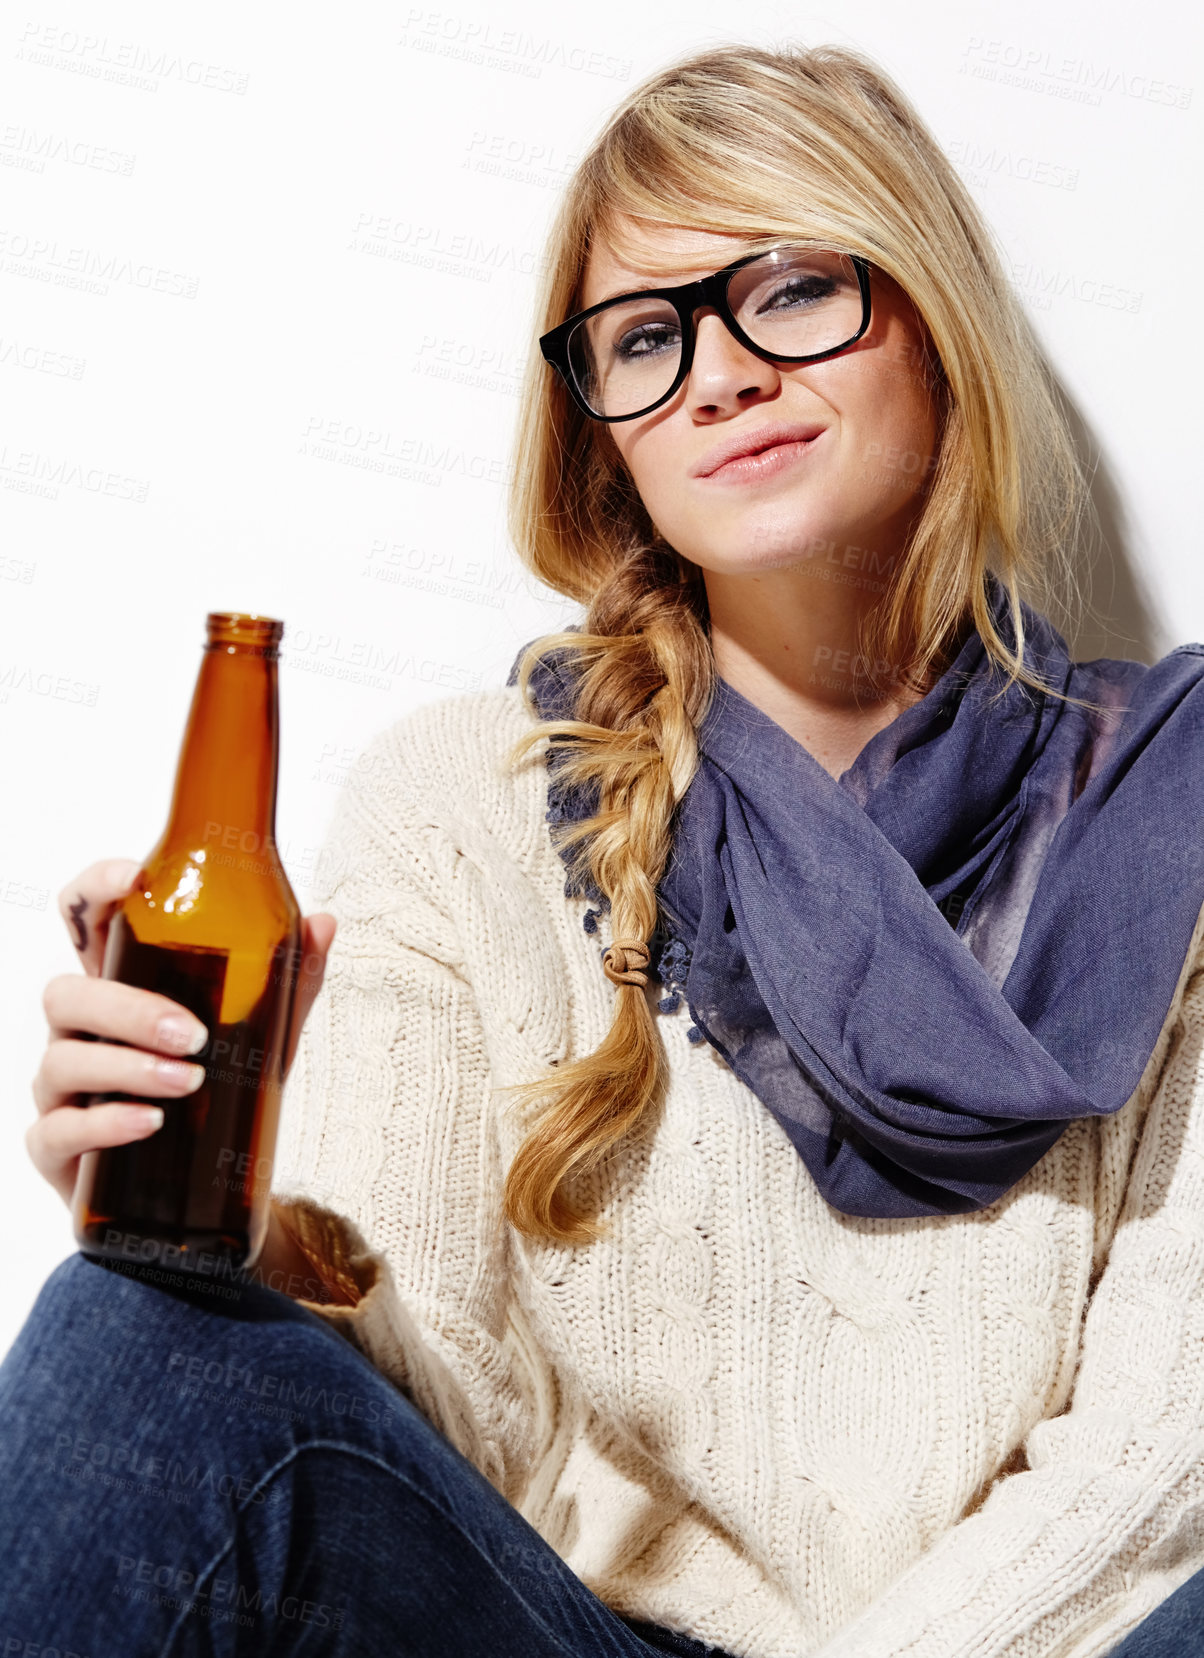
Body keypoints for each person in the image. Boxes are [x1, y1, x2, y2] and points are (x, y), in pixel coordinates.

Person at [4, 38, 1203, 1658]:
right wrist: (224, 1222)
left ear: (934, 315)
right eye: (645, 336)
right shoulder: (462, 801)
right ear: (606, 436)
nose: (717, 374)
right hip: (577, 1640)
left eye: (786, 290)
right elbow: (434, 1412)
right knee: (129, 1330)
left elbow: (1153, 1469)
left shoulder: (1173, 815)